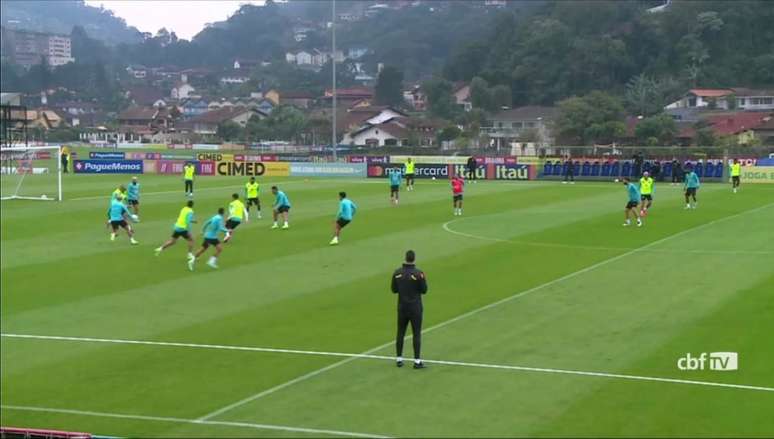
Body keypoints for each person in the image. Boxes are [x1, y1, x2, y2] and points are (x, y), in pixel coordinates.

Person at [392, 250, 428, 369]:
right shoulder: (419, 273)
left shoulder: (397, 273)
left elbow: (394, 289)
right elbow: (424, 290)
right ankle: (417, 361)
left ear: (405, 258)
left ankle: (399, 359)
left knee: (400, 332)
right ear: (414, 259)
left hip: (402, 307)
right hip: (415, 307)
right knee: (416, 333)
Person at [154, 200, 196, 267]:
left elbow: (183, 217)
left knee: (172, 241)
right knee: (191, 240)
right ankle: (189, 254)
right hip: (183, 229)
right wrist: (189, 230)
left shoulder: (183, 209)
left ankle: (160, 248)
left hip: (177, 227)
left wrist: (193, 221)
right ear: (192, 205)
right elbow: (187, 221)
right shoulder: (191, 211)